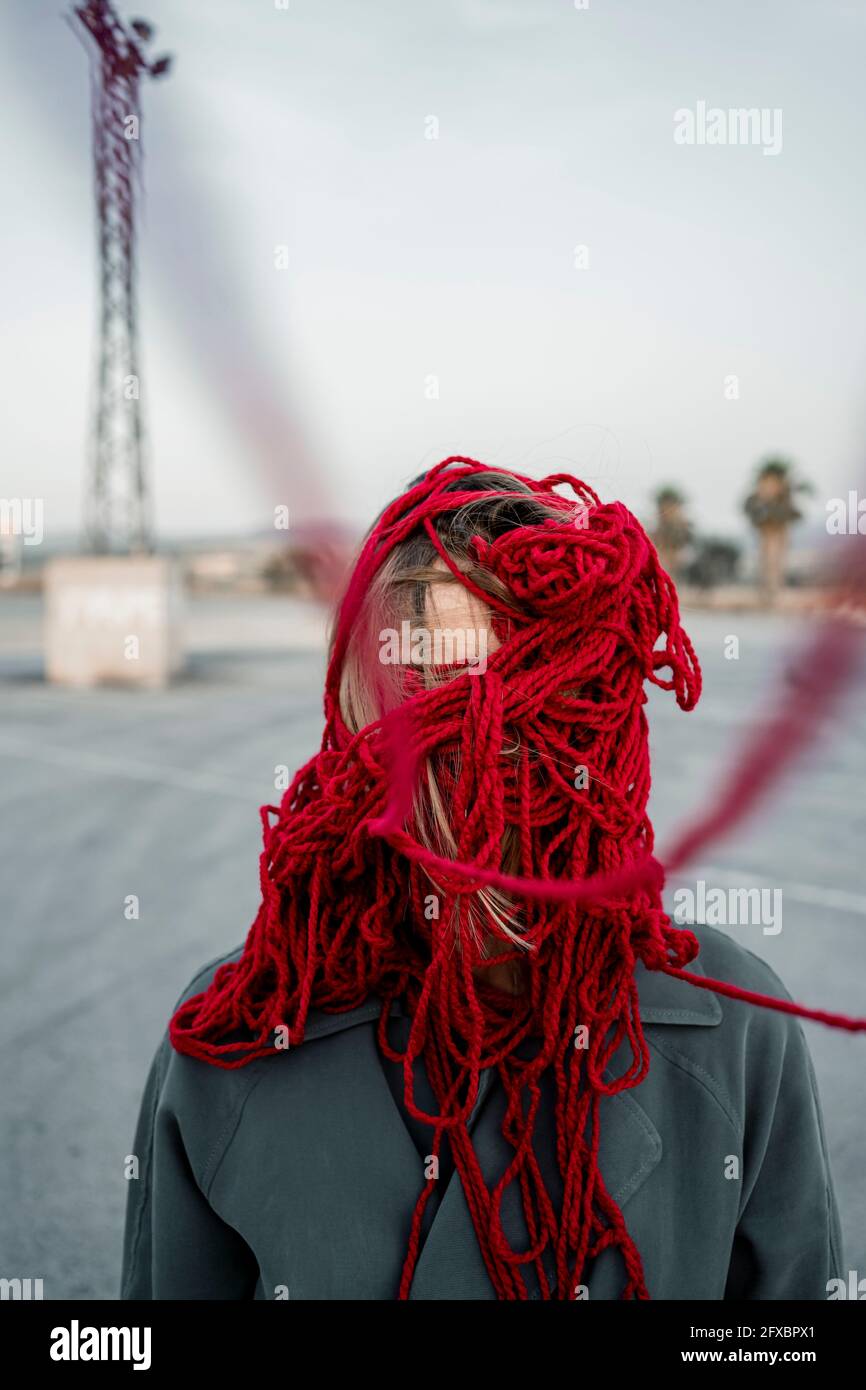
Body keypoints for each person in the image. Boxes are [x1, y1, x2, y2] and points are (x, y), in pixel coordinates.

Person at [121, 458, 843, 1300]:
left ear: (598, 724)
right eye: (420, 681)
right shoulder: (233, 1044)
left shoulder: (734, 1033)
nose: (470, 736)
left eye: (526, 685)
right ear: (352, 716)